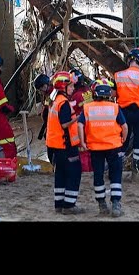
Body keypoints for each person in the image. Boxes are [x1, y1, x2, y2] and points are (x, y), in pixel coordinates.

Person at [78, 82, 128, 217]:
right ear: (108, 96)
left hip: (95, 147)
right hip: (114, 146)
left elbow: (80, 125)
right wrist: (123, 139)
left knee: (98, 175)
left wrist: (82, 142)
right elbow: (124, 127)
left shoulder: (87, 108)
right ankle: (116, 204)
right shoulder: (115, 107)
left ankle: (102, 204)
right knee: (116, 174)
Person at [46, 71, 84, 215]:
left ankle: (59, 204)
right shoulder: (64, 103)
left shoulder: (55, 100)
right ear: (64, 86)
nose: (73, 88)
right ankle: (69, 205)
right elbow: (64, 124)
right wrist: (78, 118)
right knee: (74, 172)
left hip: (55, 146)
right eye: (71, 86)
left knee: (60, 173)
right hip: (65, 145)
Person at [114, 47, 139, 173]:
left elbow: (113, 93)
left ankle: (117, 165)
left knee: (122, 139)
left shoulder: (118, 75)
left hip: (123, 113)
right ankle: (136, 166)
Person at [33, 73, 54, 164]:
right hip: (49, 124)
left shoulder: (53, 94)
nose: (40, 91)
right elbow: (46, 107)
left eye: (40, 89)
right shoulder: (48, 94)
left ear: (45, 85)